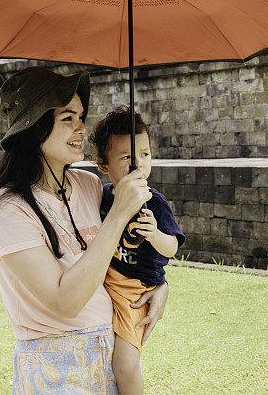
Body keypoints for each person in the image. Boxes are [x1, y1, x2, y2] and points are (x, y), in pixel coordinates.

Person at [0, 67, 169, 394]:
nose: (82, 128)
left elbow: (127, 248)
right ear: (34, 126)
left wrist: (160, 285)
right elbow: (65, 301)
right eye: (68, 118)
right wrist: (117, 213)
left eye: (81, 116)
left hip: (109, 362)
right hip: (54, 375)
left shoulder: (87, 185)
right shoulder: (6, 207)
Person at [89, 106, 185, 395]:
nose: (138, 164)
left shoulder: (154, 202)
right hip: (105, 280)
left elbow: (172, 248)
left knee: (125, 363)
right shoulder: (102, 196)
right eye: (127, 157)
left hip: (136, 289)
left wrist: (154, 233)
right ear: (103, 165)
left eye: (144, 154)